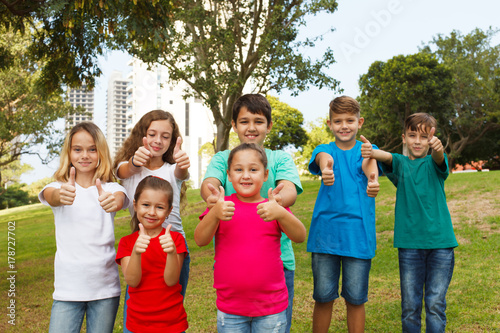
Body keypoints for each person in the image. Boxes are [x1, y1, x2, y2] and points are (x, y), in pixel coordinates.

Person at [200, 93, 302, 333]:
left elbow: (289, 189)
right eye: (244, 121)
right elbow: (210, 184)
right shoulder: (223, 158)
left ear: (269, 125)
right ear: (234, 125)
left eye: (258, 121)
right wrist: (212, 198)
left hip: (278, 264)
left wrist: (277, 202)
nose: (251, 127)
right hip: (234, 272)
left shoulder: (279, 158)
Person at [361, 112, 458, 333]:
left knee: (435, 305)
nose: (417, 141)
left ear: (430, 140)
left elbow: (440, 158)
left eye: (424, 137)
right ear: (404, 137)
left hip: (441, 246)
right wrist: (372, 152)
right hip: (409, 247)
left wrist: (438, 148)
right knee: (409, 307)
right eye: (412, 135)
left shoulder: (435, 165)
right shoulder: (401, 164)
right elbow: (386, 157)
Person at [38, 122, 129, 333]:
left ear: (101, 152)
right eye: (78, 149)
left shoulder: (111, 188)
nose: (84, 155)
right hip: (67, 290)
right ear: (69, 153)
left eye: (92, 149)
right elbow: (51, 197)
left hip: (105, 289)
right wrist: (61, 195)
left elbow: (119, 199)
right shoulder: (56, 187)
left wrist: (112, 201)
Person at [308, 96, 381, 333]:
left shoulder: (369, 150)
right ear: (329, 124)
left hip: (358, 237)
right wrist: (327, 168)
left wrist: (373, 179)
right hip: (325, 237)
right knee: (323, 297)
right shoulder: (324, 150)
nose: (344, 126)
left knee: (356, 299)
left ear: (360, 122)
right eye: (338, 121)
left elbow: (368, 165)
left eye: (350, 120)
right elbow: (323, 160)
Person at [113, 110, 190, 332]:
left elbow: (181, 173)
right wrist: (136, 163)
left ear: (173, 140)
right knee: (137, 302)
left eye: (165, 136)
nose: (158, 141)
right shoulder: (126, 168)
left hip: (173, 245)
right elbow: (126, 169)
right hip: (141, 244)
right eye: (152, 134)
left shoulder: (172, 169)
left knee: (170, 304)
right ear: (142, 135)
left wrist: (182, 161)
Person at [116, 176, 188, 333]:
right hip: (139, 324)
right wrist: (136, 252)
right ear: (135, 205)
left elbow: (171, 280)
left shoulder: (175, 240)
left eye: (160, 207)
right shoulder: (127, 243)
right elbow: (132, 281)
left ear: (169, 210)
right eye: (146, 205)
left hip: (172, 323)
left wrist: (171, 253)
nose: (151, 212)